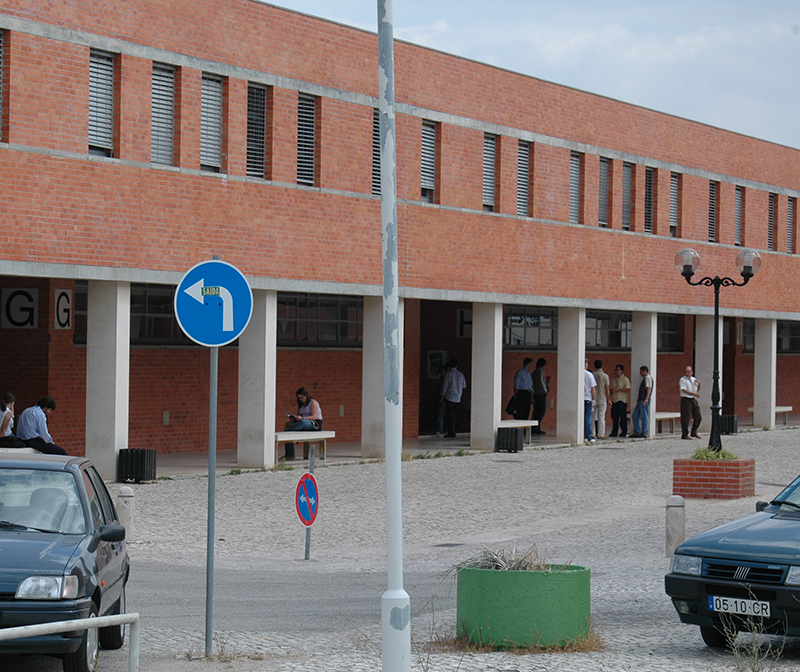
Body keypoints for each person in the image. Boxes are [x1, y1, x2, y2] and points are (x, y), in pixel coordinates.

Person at [282, 387, 322, 461]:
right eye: (299, 398)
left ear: (306, 395)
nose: (300, 400)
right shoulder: (301, 405)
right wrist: (295, 418)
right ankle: (289, 454)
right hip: (302, 422)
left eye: (301, 398)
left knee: (303, 423)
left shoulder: (313, 402)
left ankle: (291, 430)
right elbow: (299, 415)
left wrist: (302, 418)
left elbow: (313, 417)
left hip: (314, 424)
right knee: (289, 429)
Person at [440, 357, 467, 438]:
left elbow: (444, 387)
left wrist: (442, 396)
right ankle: (452, 430)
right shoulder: (461, 375)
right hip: (457, 398)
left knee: (449, 416)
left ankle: (451, 432)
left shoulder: (448, 374)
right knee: (454, 415)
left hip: (449, 397)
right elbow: (464, 386)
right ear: (456, 365)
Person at [631, 366, 654, 438]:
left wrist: (646, 399)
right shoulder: (645, 379)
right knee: (635, 415)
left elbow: (649, 389)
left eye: (641, 371)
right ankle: (637, 431)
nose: (640, 373)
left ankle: (644, 432)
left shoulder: (648, 378)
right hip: (640, 400)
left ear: (645, 371)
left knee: (644, 416)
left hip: (643, 400)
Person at [680, 365, 702, 440]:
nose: (687, 373)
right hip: (686, 399)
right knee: (686, 417)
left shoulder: (693, 379)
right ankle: (685, 434)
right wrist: (694, 394)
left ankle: (694, 431)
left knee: (698, 416)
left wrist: (699, 384)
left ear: (692, 372)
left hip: (693, 399)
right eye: (686, 372)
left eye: (689, 372)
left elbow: (697, 390)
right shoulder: (682, 380)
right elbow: (684, 390)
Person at [609, 365, 631, 438]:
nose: (616, 371)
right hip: (615, 400)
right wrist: (610, 398)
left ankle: (623, 431)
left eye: (618, 370)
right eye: (615, 370)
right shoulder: (613, 379)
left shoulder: (625, 379)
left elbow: (628, 388)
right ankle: (614, 432)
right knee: (615, 417)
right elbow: (611, 389)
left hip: (622, 400)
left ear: (622, 371)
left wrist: (619, 390)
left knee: (623, 417)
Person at [592, 360, 611, 439]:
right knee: (601, 416)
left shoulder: (592, 375)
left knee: (592, 417)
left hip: (593, 398)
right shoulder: (605, 376)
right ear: (602, 366)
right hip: (602, 398)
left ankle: (592, 433)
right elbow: (607, 389)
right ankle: (601, 433)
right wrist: (609, 399)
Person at [531, 358, 548, 434]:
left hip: (536, 393)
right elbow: (541, 382)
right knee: (541, 411)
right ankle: (537, 427)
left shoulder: (534, 372)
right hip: (541, 394)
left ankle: (534, 427)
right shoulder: (540, 371)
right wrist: (545, 390)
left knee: (536, 411)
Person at [584, 358, 597, 444]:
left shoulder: (577, 374)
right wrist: (594, 400)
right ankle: (588, 436)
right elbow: (593, 389)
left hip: (579, 399)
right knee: (587, 417)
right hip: (587, 398)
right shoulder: (589, 375)